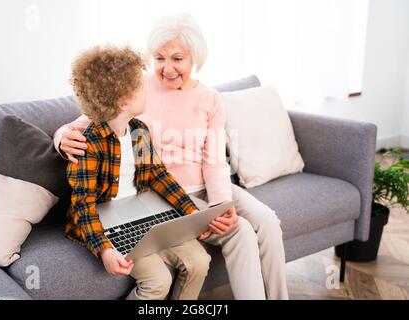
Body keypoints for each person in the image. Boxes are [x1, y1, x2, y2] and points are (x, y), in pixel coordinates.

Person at [56, 13, 288, 300]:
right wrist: (61, 138)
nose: (166, 69)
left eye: (177, 59)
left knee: (267, 220)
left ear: (195, 58)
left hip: (203, 183)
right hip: (168, 194)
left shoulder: (207, 99)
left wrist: (219, 203)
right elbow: (88, 121)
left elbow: (213, 161)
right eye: (159, 58)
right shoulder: (131, 89)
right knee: (240, 231)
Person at [65, 44, 211, 300]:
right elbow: (82, 206)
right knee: (158, 281)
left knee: (199, 260)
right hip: (108, 224)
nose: (147, 90)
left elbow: (158, 175)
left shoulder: (138, 130)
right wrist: (105, 250)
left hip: (143, 211)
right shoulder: (88, 145)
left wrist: (191, 213)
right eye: (140, 87)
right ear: (123, 101)